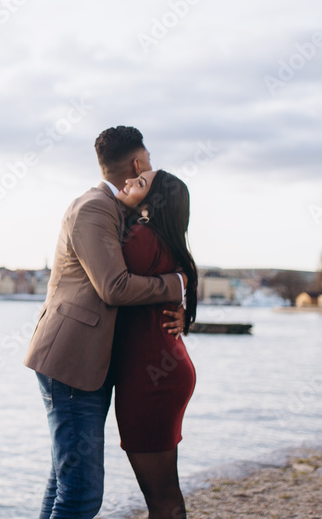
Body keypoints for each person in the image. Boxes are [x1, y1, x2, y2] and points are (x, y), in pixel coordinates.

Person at [23, 126, 187, 518]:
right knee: (81, 495)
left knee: (65, 483)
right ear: (138, 163)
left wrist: (181, 301)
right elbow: (114, 287)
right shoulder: (94, 208)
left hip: (90, 365)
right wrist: (175, 285)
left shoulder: (121, 213)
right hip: (71, 363)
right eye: (148, 165)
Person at [111, 169, 198, 519]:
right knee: (163, 491)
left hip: (150, 378)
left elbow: (110, 284)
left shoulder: (141, 239)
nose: (129, 183)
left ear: (153, 203)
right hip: (163, 368)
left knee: (161, 497)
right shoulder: (163, 240)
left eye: (140, 183)